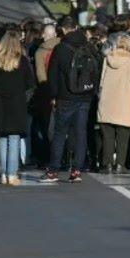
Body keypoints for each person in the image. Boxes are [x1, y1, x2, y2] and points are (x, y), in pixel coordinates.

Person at [42, 17, 98, 183]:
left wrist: (54, 95)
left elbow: (52, 75)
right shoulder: (88, 46)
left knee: (60, 133)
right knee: (81, 132)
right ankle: (77, 170)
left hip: (65, 97)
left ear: (64, 30)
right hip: (85, 96)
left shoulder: (60, 48)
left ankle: (53, 170)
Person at [0, 30, 36, 185]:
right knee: (14, 139)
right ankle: (12, 174)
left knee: (1, 139)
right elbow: (31, 83)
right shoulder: (22, 61)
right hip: (16, 105)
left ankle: (4, 174)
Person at [97, 33, 130, 174]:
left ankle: (106, 165)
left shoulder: (108, 59)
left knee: (107, 137)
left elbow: (101, 82)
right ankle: (120, 165)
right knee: (123, 138)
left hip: (106, 103)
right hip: (124, 104)